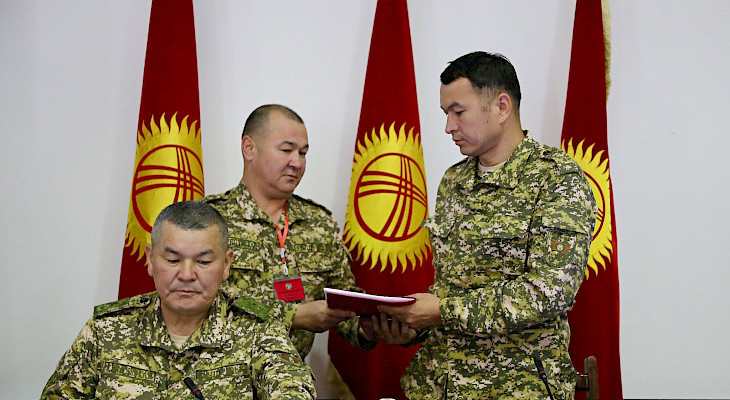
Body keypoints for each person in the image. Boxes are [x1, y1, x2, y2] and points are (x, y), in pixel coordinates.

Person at [377, 51, 597, 399]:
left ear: (501, 107)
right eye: (445, 113)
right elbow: (451, 284)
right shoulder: (454, 181)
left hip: (515, 385)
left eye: (458, 112)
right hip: (438, 383)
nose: (448, 126)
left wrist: (441, 312)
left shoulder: (556, 179)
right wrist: (413, 325)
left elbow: (549, 292)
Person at [41, 201, 316, 399]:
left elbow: (292, 389)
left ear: (226, 265)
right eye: (173, 260)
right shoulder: (106, 331)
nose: (186, 275)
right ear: (150, 260)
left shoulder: (259, 332)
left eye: (203, 262)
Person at [201, 104, 375, 360]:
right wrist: (292, 316)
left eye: (303, 153)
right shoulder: (207, 220)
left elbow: (342, 300)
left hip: (292, 376)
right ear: (249, 148)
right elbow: (197, 300)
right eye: (286, 150)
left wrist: (367, 327)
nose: (297, 163)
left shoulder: (319, 223)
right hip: (221, 373)